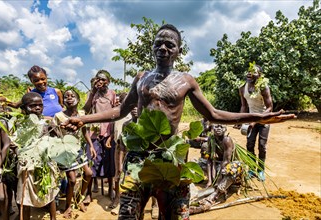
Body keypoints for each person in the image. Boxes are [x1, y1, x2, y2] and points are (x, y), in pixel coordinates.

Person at [61, 24, 295, 219]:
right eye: (158, 43)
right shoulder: (142, 78)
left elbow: (213, 114)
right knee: (129, 214)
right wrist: (83, 118)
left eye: (169, 44)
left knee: (175, 214)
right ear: (152, 47)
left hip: (173, 157)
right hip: (139, 157)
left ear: (178, 51)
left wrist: (260, 116)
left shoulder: (186, 81)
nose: (163, 48)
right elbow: (120, 111)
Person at [53, 89, 96, 218]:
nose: (69, 98)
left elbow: (84, 131)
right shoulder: (59, 116)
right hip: (65, 151)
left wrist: (91, 145)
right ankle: (67, 207)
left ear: (78, 99)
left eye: (72, 96)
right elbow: (54, 134)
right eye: (66, 96)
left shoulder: (82, 114)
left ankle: (79, 198)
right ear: (63, 100)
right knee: (71, 180)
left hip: (78, 149)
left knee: (88, 173)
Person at [16, 92, 59, 220]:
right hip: (27, 165)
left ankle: (53, 217)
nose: (38, 108)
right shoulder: (19, 124)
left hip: (46, 163)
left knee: (49, 193)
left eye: (40, 105)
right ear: (23, 108)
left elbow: (57, 139)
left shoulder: (47, 122)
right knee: (26, 197)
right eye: (33, 106)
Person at [83, 70, 117, 202]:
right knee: (93, 160)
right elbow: (86, 110)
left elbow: (116, 113)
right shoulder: (92, 94)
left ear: (108, 82)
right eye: (98, 79)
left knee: (109, 161)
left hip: (108, 131)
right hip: (95, 132)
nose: (100, 82)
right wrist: (92, 92)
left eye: (103, 80)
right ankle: (88, 193)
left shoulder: (112, 94)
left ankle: (111, 191)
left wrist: (112, 135)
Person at [236, 63, 272, 181]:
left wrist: (257, 121)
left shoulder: (263, 87)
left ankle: (261, 170)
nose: (249, 73)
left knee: (262, 146)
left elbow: (269, 108)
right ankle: (252, 169)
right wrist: (240, 120)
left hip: (264, 119)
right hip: (251, 120)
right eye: (249, 71)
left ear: (260, 75)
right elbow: (243, 106)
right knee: (249, 145)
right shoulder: (242, 88)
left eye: (254, 72)